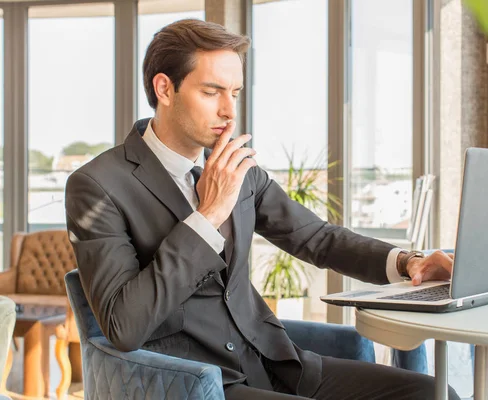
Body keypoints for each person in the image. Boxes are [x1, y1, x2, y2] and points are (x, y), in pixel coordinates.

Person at [65, 18, 459, 400]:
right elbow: (122, 325)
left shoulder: (239, 170)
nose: (229, 111)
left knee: (433, 393)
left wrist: (408, 262)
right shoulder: (97, 186)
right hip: (201, 384)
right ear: (165, 89)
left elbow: (317, 238)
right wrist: (207, 217)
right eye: (211, 91)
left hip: (279, 364)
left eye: (234, 92)